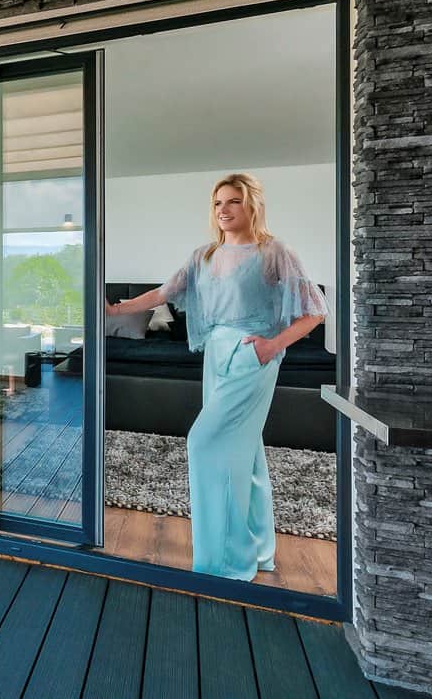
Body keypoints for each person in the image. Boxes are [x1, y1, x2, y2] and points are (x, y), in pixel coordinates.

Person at [107, 173, 326, 580]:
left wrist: (271, 346)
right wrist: (116, 310)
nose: (223, 210)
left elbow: (315, 310)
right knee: (247, 454)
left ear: (252, 205)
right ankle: (260, 551)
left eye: (233, 202)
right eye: (218, 203)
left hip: (251, 357)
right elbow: (163, 293)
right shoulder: (204, 255)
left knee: (203, 442)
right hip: (216, 355)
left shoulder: (274, 252)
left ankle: (226, 564)